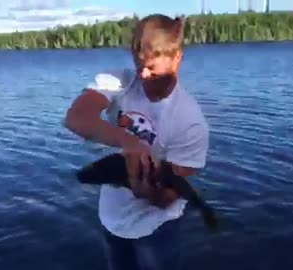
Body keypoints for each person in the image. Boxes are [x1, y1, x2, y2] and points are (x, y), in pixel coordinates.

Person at [64, 13, 210, 270]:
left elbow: (169, 197)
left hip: (156, 230)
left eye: (152, 68)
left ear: (177, 58)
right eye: (138, 64)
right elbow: (76, 118)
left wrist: (143, 190)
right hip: (112, 222)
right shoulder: (119, 81)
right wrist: (128, 142)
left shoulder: (191, 122)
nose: (142, 75)